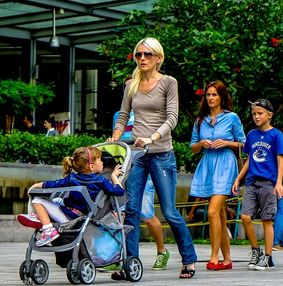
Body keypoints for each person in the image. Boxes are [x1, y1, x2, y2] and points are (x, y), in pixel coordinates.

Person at [108, 37, 197, 279]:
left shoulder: (168, 82)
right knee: (132, 210)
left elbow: (172, 118)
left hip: (161, 154)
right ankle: (130, 264)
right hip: (137, 155)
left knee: (169, 211)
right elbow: (123, 116)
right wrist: (115, 137)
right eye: (139, 55)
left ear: (158, 57)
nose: (143, 58)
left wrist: (152, 137)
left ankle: (188, 259)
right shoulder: (132, 85)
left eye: (148, 54)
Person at [17, 146, 125, 247]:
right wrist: (114, 176)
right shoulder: (100, 180)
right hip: (76, 217)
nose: (102, 162)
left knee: (37, 200)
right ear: (91, 166)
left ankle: (41, 221)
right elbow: (119, 191)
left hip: (69, 215)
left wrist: (37, 185)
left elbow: (55, 184)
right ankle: (47, 229)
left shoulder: (72, 178)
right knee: (55, 200)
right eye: (100, 160)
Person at [189, 80, 246, 271]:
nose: (211, 98)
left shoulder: (232, 118)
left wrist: (227, 143)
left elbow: (244, 144)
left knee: (213, 211)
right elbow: (193, 148)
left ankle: (214, 257)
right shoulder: (200, 120)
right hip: (208, 166)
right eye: (208, 95)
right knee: (220, 214)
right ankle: (227, 259)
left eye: (215, 94)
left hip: (226, 165)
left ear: (222, 97)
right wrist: (202, 143)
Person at [232, 98, 283, 271]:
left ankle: (268, 258)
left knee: (267, 220)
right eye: (254, 113)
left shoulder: (276, 135)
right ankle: (256, 250)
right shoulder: (251, 135)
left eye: (260, 113)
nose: (256, 116)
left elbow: (281, 160)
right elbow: (249, 159)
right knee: (245, 217)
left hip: (269, 183)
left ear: (269, 115)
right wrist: (238, 178)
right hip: (252, 183)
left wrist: (278, 183)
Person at [113, 110, 169, 270]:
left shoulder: (149, 111)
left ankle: (162, 251)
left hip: (145, 167)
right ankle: (120, 256)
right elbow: (118, 142)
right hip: (125, 171)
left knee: (147, 215)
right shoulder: (119, 116)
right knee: (122, 213)